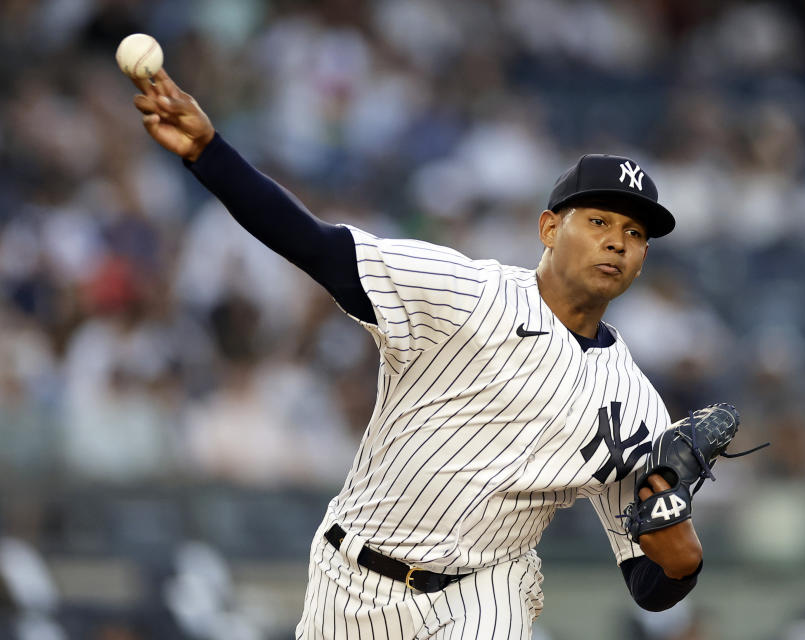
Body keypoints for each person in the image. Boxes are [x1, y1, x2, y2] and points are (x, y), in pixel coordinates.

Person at [130, 68, 704, 639]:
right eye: (599, 221)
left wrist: (681, 561)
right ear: (549, 229)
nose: (616, 241)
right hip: (352, 574)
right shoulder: (465, 293)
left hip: (486, 590)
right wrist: (210, 154)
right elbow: (317, 247)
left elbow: (650, 585)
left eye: (634, 234)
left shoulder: (636, 405)